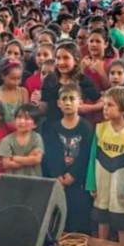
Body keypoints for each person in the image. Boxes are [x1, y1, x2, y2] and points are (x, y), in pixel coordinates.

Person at [87, 87, 124, 245]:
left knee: (122, 222)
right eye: (104, 104)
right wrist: (91, 183)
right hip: (102, 182)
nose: (105, 108)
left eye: (110, 105)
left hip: (122, 185)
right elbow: (93, 158)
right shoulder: (100, 129)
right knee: (101, 218)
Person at [41, 84, 94, 234]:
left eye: (72, 98)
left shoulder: (86, 128)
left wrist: (73, 175)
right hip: (58, 180)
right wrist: (57, 174)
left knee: (79, 218)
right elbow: (51, 154)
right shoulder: (52, 127)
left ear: (80, 102)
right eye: (64, 99)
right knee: (60, 217)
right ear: (59, 103)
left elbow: (86, 154)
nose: (68, 102)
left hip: (78, 182)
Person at [0, 104, 44, 177]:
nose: (22, 121)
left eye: (27, 118)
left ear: (35, 124)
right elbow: (6, 164)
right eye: (19, 117)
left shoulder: (37, 138)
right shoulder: (6, 140)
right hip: (13, 181)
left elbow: (37, 159)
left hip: (34, 180)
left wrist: (15, 158)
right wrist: (29, 158)